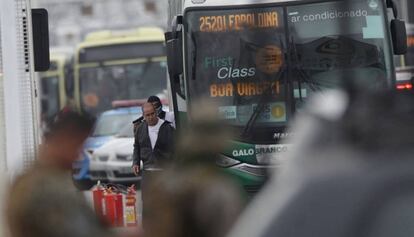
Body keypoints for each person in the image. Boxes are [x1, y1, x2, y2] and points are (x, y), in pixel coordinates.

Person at [6, 110, 114, 237]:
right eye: (77, 146)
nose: (77, 155)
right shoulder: (45, 186)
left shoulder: (33, 179)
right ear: (63, 139)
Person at [131, 102, 175, 223]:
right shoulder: (140, 128)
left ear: (156, 113)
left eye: (152, 114)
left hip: (164, 171)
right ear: (143, 115)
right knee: (147, 201)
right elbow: (137, 146)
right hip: (148, 171)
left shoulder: (167, 127)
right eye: (147, 115)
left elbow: (175, 149)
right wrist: (135, 162)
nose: (150, 117)